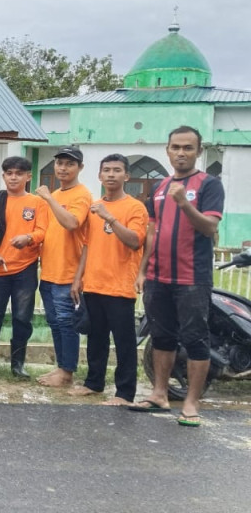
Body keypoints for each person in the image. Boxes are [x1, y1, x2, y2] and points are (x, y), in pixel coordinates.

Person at [132, 126, 224, 427]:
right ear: (167, 150)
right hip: (159, 277)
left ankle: (191, 402)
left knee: (195, 339)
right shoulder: (159, 187)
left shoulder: (209, 185)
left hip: (192, 277)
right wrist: (144, 270)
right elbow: (152, 232)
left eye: (188, 148)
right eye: (176, 147)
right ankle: (159, 394)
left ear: (198, 151)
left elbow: (210, 228)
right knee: (162, 337)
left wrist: (185, 203)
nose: (181, 153)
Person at [69, 154, 147, 405]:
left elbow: (135, 241)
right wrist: (78, 278)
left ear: (127, 175)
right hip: (93, 283)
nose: (111, 175)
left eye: (117, 170)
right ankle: (94, 383)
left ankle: (125, 393)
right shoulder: (94, 207)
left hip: (120, 285)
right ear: (99, 175)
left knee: (124, 342)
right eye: (107, 170)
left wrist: (110, 218)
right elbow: (87, 246)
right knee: (96, 338)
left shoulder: (135, 207)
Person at [0, 156, 48, 377]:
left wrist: (28, 237)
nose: (14, 177)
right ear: (4, 176)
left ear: (28, 176)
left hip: (25, 269)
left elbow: (42, 231)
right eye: (9, 173)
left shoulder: (38, 203)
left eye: (19, 173)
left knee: (22, 318)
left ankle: (18, 364)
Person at [34, 146, 91, 387]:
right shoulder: (56, 195)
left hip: (68, 273)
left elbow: (71, 223)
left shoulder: (81, 195)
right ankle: (61, 368)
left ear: (80, 168)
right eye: (59, 163)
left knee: (67, 323)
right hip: (49, 272)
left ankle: (67, 371)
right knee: (55, 322)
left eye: (69, 164)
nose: (63, 168)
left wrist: (47, 198)